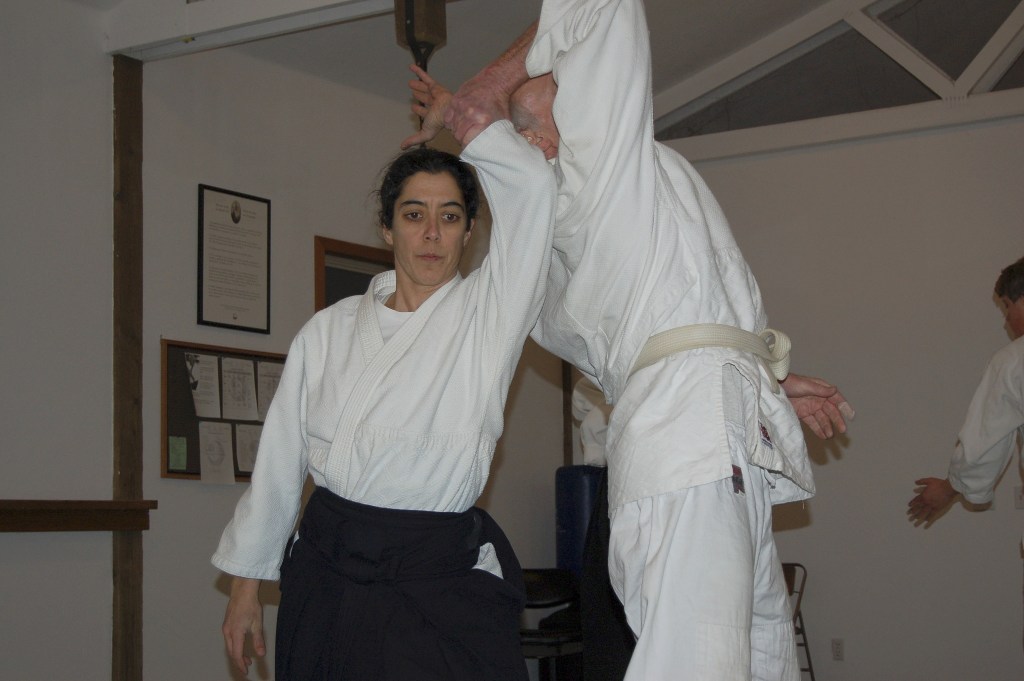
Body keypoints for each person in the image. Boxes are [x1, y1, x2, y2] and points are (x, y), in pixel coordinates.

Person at [401, 1, 854, 679]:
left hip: (712, 436)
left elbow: (665, 329)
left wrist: (769, 382)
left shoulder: (621, 195)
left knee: (760, 665)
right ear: (543, 141)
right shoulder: (588, 177)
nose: (580, 83)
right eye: (563, 90)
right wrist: (486, 93)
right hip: (688, 449)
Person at [212, 112, 556, 680]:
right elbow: (280, 461)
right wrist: (246, 586)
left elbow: (536, 194)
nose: (431, 234)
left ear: (470, 232)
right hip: (327, 567)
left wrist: (470, 121)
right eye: (413, 214)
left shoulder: (488, 316)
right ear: (386, 227)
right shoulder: (328, 331)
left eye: (450, 217)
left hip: (433, 571)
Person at [908, 255, 1024, 526]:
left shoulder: (1013, 361)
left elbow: (988, 437)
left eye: (1007, 306)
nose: (1006, 319)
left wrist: (950, 487)